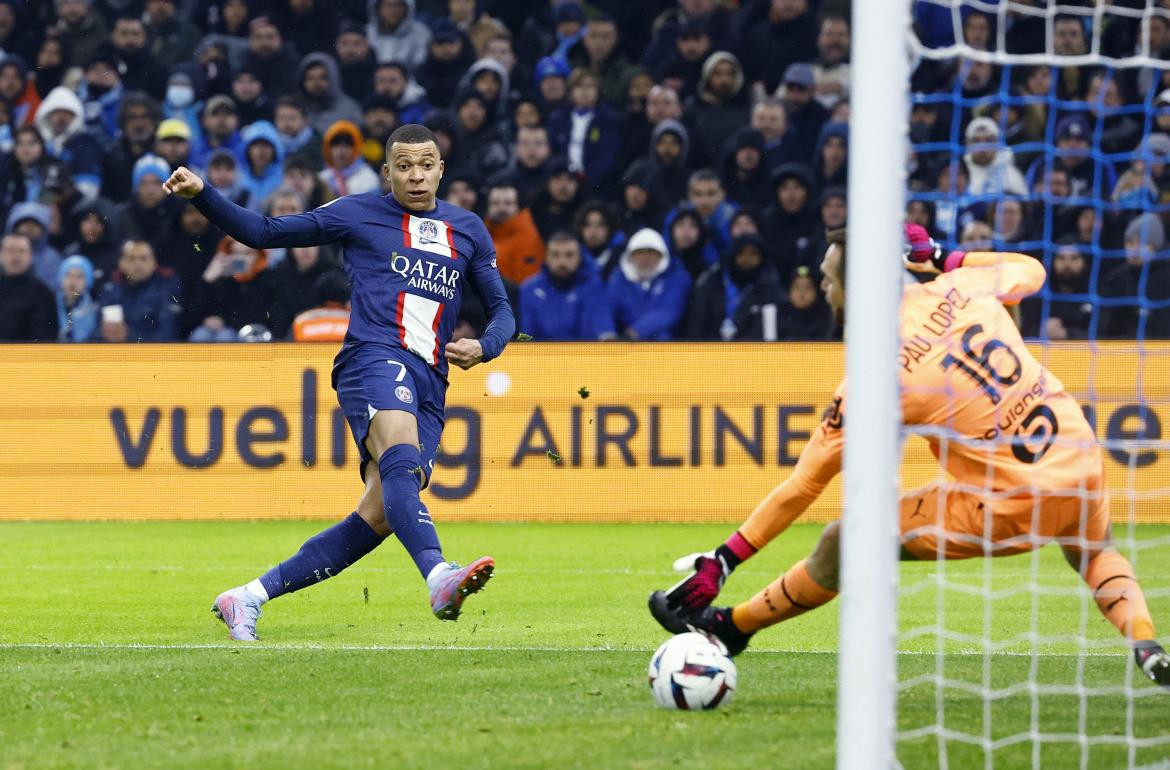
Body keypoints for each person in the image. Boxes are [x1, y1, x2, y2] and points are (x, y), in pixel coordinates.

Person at [648, 223, 1170, 692]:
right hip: (1078, 454)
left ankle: (732, 627)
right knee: (1094, 550)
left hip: (1011, 502)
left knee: (844, 540)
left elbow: (805, 485)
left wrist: (724, 559)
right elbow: (1029, 269)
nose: (825, 288)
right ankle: (1145, 642)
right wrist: (943, 257)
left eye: (832, 279)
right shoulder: (961, 286)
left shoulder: (878, 375)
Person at [163, 122, 514, 639]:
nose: (415, 176)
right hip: (371, 358)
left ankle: (246, 598)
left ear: (441, 169)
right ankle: (438, 575)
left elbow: (503, 309)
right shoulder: (357, 212)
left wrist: (486, 347)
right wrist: (204, 195)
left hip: (431, 382)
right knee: (398, 452)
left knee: (378, 516)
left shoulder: (468, 229)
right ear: (387, 171)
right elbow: (264, 232)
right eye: (404, 166)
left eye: (425, 165)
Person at [684, 233, 782, 341]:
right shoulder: (713, 282)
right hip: (709, 352)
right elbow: (697, 325)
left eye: (753, 254)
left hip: (752, 353)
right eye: (741, 253)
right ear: (733, 255)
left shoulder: (770, 288)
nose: (747, 258)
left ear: (762, 257)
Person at [518, 230, 613, 341]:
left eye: (569, 255)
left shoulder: (594, 286)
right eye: (555, 255)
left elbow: (601, 327)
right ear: (546, 257)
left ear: (580, 257)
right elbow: (526, 335)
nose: (562, 262)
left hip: (583, 355)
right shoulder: (529, 289)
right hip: (543, 356)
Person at [605, 226, 691, 341]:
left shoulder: (677, 276)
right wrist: (607, 334)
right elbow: (606, 309)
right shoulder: (618, 278)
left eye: (651, 253)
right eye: (640, 253)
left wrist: (633, 333)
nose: (645, 259)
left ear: (662, 255)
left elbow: (669, 311)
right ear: (630, 256)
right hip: (623, 346)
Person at [96, 240, 182, 342]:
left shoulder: (168, 288)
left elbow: (168, 334)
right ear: (121, 263)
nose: (138, 264)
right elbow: (96, 330)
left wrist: (129, 336)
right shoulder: (109, 290)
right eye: (131, 259)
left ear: (154, 263)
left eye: (143, 258)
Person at [484, 183, 545, 284]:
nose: (501, 208)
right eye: (495, 203)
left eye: (508, 203)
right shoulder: (481, 234)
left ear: (518, 206)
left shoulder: (529, 239)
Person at [0, 232, 56, 341]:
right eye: (10, 251)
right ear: (1, 254)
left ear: (31, 256)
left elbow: (43, 339)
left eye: (21, 251)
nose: (15, 257)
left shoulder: (43, 294)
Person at [55, 254, 99, 342]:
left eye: (79, 276)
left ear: (88, 281)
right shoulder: (48, 305)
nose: (73, 281)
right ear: (61, 278)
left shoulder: (96, 311)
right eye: (68, 275)